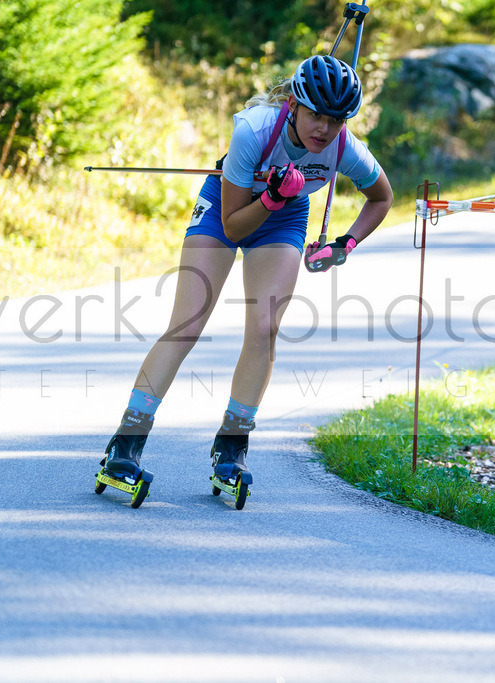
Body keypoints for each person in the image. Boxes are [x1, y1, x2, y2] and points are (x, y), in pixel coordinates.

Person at [100, 55, 393, 499]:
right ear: (295, 104)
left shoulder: (343, 147)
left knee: (265, 327)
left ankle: (232, 447)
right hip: (228, 208)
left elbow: (381, 197)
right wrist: (272, 195)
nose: (325, 129)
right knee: (187, 325)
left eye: (336, 120)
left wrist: (343, 244)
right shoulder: (253, 130)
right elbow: (235, 225)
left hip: (284, 215)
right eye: (316, 114)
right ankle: (126, 443)